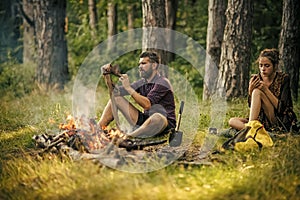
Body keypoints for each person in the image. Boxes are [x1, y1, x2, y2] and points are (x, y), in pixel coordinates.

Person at [98, 51, 176, 138]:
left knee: (158, 117)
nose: (140, 67)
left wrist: (128, 88)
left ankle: (129, 137)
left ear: (154, 65)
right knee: (116, 98)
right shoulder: (142, 82)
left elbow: (147, 105)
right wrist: (107, 75)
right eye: (139, 64)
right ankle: (97, 129)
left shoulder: (163, 82)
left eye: (143, 63)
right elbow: (115, 92)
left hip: (163, 125)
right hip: (145, 122)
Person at [228, 48, 298, 132]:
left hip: (279, 119)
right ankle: (254, 131)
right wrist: (250, 91)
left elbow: (281, 109)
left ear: (275, 66)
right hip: (261, 120)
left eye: (267, 65)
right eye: (260, 65)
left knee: (258, 92)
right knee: (232, 121)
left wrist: (265, 90)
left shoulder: (283, 79)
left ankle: (250, 131)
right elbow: (252, 107)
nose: (263, 69)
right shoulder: (257, 79)